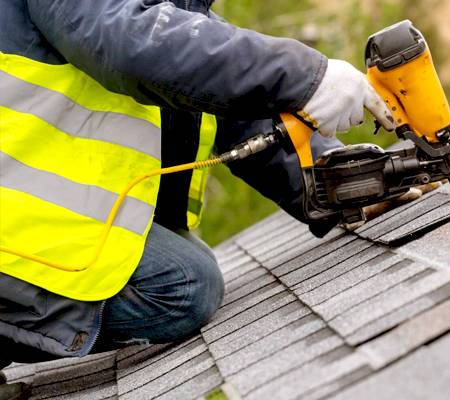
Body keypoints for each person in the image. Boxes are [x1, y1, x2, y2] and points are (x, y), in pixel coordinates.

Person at [0, 1, 400, 396]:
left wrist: (338, 181)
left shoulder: (173, 12)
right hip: (11, 230)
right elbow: (133, 42)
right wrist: (301, 76)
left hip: (25, 221)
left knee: (189, 267)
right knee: (182, 286)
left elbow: (233, 102)